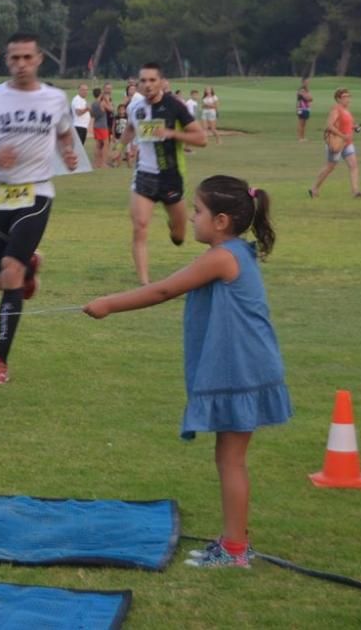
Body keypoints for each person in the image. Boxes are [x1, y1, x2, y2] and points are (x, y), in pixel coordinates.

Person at [83, 175, 292, 568]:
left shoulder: (222, 257)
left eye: (197, 212)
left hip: (243, 369)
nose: (190, 218)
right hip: (246, 365)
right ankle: (232, 542)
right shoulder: (233, 252)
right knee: (228, 457)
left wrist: (109, 303)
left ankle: (234, 551)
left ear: (221, 222)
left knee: (231, 460)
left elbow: (164, 290)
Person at [0, 32, 78, 385]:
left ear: (39, 59)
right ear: (7, 61)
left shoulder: (55, 98)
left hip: (36, 193)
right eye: (15, 58)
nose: (21, 64)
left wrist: (67, 151)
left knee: (10, 271)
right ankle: (30, 264)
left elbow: (66, 132)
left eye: (27, 57)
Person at [122, 63, 207, 286]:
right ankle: (144, 282)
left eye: (152, 80)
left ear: (161, 82)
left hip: (170, 176)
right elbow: (131, 128)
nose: (148, 85)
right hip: (144, 176)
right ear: (138, 84)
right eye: (143, 81)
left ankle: (174, 225)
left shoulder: (174, 106)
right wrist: (118, 149)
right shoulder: (135, 106)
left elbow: (201, 139)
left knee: (179, 237)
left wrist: (171, 133)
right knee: (140, 226)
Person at [308, 88, 361, 199]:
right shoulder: (336, 109)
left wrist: (355, 127)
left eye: (349, 96)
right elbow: (329, 125)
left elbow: (346, 125)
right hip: (337, 143)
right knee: (330, 167)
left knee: (353, 166)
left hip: (347, 143)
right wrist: (343, 136)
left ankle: (355, 191)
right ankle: (314, 188)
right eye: (345, 97)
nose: (348, 99)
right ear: (338, 99)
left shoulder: (347, 110)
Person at [90, 87, 109, 168]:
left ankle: (95, 163)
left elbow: (91, 115)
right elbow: (111, 109)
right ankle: (103, 163)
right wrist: (107, 100)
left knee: (97, 144)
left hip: (96, 125)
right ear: (100, 94)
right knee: (105, 144)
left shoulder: (93, 104)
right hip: (103, 126)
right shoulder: (102, 103)